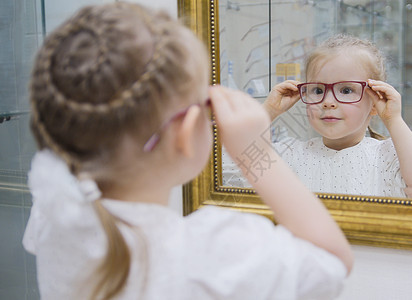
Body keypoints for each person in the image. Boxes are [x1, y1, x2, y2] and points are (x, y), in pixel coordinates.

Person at [22, 3, 353, 299]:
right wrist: (255, 152)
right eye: (207, 103)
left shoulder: (55, 216)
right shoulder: (216, 252)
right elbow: (333, 262)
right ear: (185, 132)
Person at [224, 34, 412, 199]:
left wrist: (394, 120)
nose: (328, 101)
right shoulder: (290, 155)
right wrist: (268, 111)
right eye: (318, 90)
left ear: (375, 102)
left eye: (346, 90)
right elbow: (225, 169)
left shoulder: (386, 157)